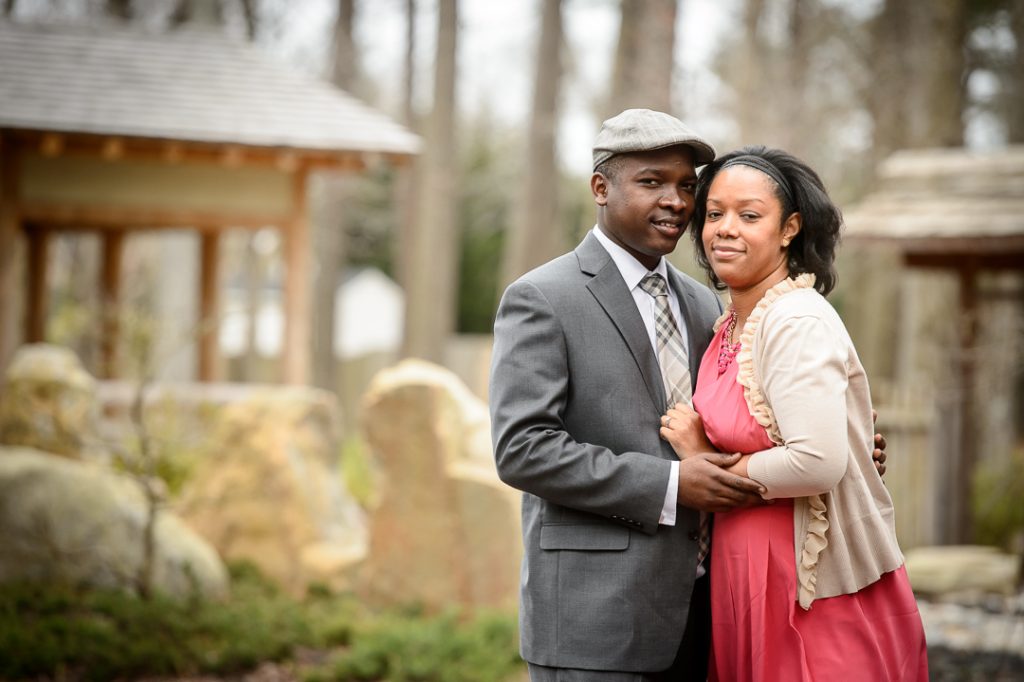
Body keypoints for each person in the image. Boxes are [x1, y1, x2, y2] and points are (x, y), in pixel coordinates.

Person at [489, 110, 887, 681]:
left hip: (712, 614)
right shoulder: (543, 297)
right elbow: (523, 449)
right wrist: (671, 484)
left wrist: (843, 446)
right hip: (595, 622)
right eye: (652, 182)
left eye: (686, 186)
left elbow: (749, 421)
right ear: (601, 187)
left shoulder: (707, 305)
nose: (676, 200)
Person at [659, 145, 927, 681]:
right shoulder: (729, 326)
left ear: (790, 229)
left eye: (749, 215)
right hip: (745, 576)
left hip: (808, 588)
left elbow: (818, 462)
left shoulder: (794, 319)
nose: (725, 229)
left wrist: (705, 463)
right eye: (714, 214)